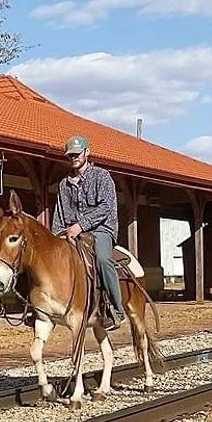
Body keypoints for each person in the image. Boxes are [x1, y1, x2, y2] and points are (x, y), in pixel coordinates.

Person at [52, 135, 128, 331]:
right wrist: (57, 236)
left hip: (102, 229)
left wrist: (81, 225)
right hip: (73, 232)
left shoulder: (102, 177)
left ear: (87, 152)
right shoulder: (64, 184)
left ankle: (116, 310)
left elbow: (106, 207)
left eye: (77, 154)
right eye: (70, 155)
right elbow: (59, 213)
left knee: (102, 259)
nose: (74, 158)